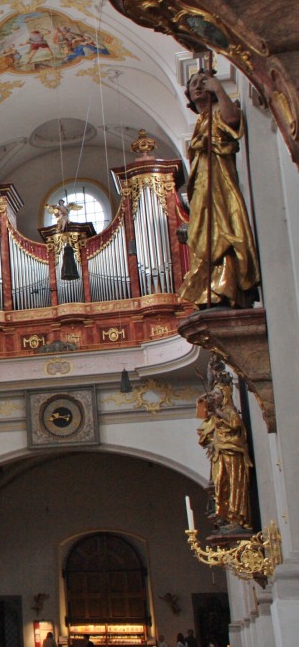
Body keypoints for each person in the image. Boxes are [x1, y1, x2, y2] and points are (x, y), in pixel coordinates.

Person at [178, 69, 261, 308]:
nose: (198, 86)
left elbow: (233, 120)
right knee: (205, 229)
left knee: (222, 225)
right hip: (203, 182)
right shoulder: (201, 120)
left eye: (203, 83)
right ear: (190, 97)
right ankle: (210, 286)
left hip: (219, 179)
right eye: (194, 84)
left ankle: (226, 285)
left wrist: (219, 89)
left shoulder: (217, 111)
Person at [196, 362, 253, 531]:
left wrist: (218, 412)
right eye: (212, 394)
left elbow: (235, 424)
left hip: (232, 452)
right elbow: (204, 427)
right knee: (220, 483)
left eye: (216, 394)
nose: (212, 397)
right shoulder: (215, 415)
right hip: (220, 452)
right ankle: (225, 515)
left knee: (233, 483)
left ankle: (235, 516)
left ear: (225, 395)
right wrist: (204, 403)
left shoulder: (228, 411)